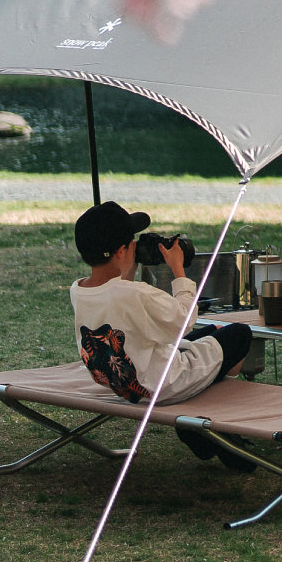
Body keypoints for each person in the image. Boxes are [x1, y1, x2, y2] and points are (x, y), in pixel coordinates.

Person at [72, 200, 255, 472]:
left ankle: (207, 427)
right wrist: (178, 268)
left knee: (214, 333)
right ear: (122, 251)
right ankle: (216, 424)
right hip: (164, 386)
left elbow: (122, 300)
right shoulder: (136, 295)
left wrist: (128, 266)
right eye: (132, 242)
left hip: (125, 384)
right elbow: (184, 320)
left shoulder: (80, 289)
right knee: (239, 334)